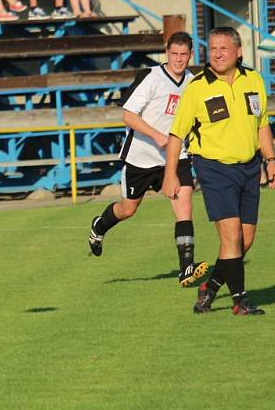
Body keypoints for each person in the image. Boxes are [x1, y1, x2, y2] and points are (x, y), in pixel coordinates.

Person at [163, 26, 275, 316]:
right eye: (212, 48)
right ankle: (240, 300)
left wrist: (271, 160)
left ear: (238, 51)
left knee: (244, 241)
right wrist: (170, 174)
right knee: (230, 237)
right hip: (214, 168)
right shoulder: (197, 87)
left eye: (223, 48)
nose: (216, 54)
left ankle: (210, 288)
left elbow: (262, 123)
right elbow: (177, 135)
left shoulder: (253, 79)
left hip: (250, 167)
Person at [88, 32, 208, 287]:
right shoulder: (151, 77)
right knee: (127, 210)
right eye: (174, 54)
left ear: (191, 55)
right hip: (141, 158)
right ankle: (100, 225)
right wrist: (156, 135)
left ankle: (186, 267)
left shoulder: (193, 82)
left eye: (183, 55)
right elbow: (128, 116)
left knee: (184, 207)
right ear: (167, 52)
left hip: (176, 156)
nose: (178, 59)